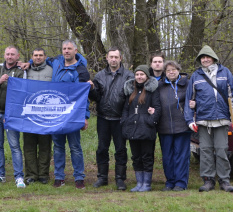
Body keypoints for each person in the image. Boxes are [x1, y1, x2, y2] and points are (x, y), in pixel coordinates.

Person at [185, 45, 233, 193]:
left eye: (207, 57)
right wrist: (190, 120)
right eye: (202, 58)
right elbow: (189, 100)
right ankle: (208, 180)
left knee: (222, 150)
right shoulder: (196, 76)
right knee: (205, 151)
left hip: (222, 119)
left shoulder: (225, 73)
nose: (205, 60)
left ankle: (224, 180)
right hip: (203, 120)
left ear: (213, 58)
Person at [88, 47, 134, 190]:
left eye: (116, 57)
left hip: (120, 119)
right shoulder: (100, 76)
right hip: (103, 118)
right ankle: (102, 177)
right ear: (107, 58)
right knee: (102, 148)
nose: (113, 59)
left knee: (120, 149)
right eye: (111, 57)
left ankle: (120, 179)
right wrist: (91, 90)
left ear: (120, 58)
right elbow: (96, 98)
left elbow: (131, 98)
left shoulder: (128, 76)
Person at [49, 40, 90, 189]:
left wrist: (85, 116)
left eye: (69, 49)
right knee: (58, 147)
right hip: (56, 114)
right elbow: (39, 59)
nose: (66, 51)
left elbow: (84, 96)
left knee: (75, 147)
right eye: (64, 49)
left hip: (73, 115)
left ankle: (79, 178)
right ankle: (59, 177)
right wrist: (28, 62)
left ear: (75, 51)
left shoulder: (81, 70)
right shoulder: (56, 63)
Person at [0, 46, 26, 188]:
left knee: (14, 145)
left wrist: (10, 113)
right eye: (7, 54)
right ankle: (0, 174)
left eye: (12, 54)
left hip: (11, 115)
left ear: (17, 56)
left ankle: (19, 177)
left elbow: (23, 93)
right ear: (4, 55)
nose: (9, 57)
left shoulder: (21, 71)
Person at [120, 65, 161, 192]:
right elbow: (126, 109)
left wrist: (150, 120)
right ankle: (139, 183)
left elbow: (157, 108)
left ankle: (147, 184)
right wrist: (125, 122)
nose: (139, 77)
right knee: (136, 157)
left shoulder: (152, 90)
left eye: (142, 74)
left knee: (147, 156)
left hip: (146, 129)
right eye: (137, 74)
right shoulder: (130, 91)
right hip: (132, 128)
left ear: (147, 76)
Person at [157, 60, 192, 191]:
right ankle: (170, 181)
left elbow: (195, 99)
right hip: (164, 127)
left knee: (181, 156)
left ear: (178, 70)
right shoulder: (159, 86)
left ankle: (181, 183)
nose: (171, 72)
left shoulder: (187, 84)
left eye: (174, 70)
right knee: (167, 156)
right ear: (165, 73)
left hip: (182, 126)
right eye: (168, 70)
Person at [23, 48, 54, 184]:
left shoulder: (52, 70)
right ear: (32, 57)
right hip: (28, 114)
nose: (38, 57)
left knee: (45, 146)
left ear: (45, 57)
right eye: (35, 55)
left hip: (46, 115)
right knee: (29, 146)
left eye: (41, 55)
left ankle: (43, 175)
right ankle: (31, 175)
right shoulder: (25, 70)